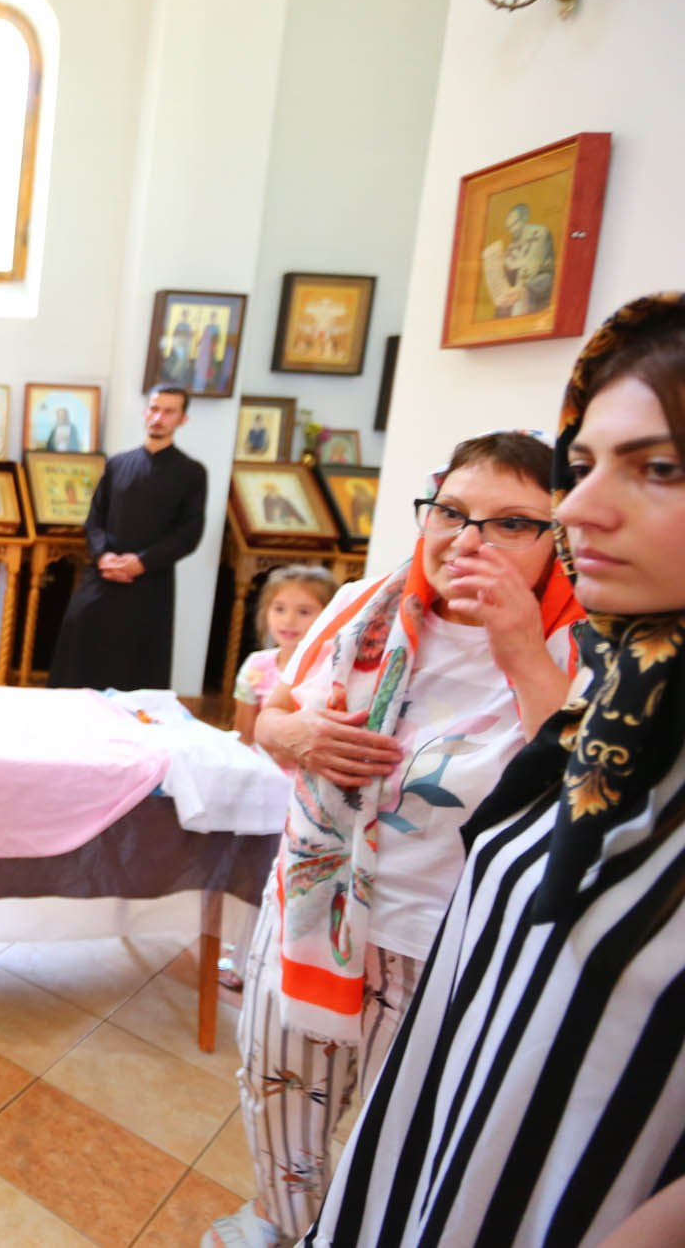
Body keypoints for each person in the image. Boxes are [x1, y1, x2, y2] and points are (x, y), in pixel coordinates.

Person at [303, 294, 685, 1247]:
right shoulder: (623, 690)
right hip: (432, 1165)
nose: (585, 508)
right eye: (586, 462)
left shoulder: (568, 650)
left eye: (661, 468)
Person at [207, 431, 583, 1248]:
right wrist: (299, 735)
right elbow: (268, 719)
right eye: (451, 509)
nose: (467, 538)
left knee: (402, 1129)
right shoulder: (359, 607)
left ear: (560, 536)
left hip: (441, 940)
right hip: (309, 907)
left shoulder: (583, 646)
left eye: (511, 522)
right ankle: (283, 1220)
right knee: (277, 1093)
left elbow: (579, 790)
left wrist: (517, 641)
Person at [48, 384, 207, 690]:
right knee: (79, 645)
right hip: (103, 573)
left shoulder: (191, 472)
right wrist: (104, 556)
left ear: (182, 419)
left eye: (169, 411)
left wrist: (141, 562)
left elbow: (189, 533)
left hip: (148, 581)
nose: (158, 417)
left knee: (136, 663)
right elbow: (94, 518)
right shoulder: (118, 463)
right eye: (154, 408)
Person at [232, 565, 337, 747]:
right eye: (279, 609)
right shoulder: (256, 666)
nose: (288, 620)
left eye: (304, 612)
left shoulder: (333, 671)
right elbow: (244, 738)